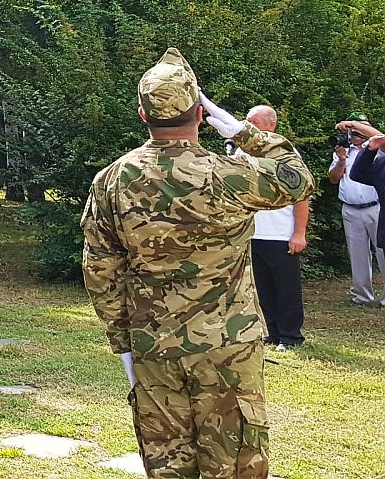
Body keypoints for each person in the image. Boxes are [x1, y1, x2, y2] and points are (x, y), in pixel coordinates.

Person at [82, 48, 314, 479]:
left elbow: (101, 270)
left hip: (153, 343)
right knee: (235, 464)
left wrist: (123, 343)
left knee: (169, 465)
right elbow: (297, 179)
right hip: (227, 345)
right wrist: (242, 131)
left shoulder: (111, 180)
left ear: (143, 114)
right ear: (201, 115)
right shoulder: (228, 175)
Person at [237, 106, 308, 351]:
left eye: (254, 122)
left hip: (280, 231)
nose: (249, 126)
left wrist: (299, 232)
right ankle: (273, 332)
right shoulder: (241, 151)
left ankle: (290, 335)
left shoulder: (284, 152)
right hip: (252, 231)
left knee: (286, 287)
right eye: (247, 121)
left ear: (271, 126)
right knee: (262, 287)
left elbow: (302, 194)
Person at [330, 118, 385, 305]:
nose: (353, 135)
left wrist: (354, 123)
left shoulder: (378, 150)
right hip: (351, 208)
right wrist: (341, 160)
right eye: (351, 132)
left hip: (375, 207)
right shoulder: (344, 151)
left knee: (382, 251)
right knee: (357, 253)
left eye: (357, 131)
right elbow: (334, 179)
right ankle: (362, 295)